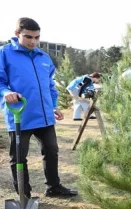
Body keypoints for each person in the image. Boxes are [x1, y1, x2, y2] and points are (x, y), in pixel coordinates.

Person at [0, 17, 78, 198]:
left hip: (44, 116)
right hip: (20, 115)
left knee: (51, 151)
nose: (33, 41)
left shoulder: (44, 57)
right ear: (17, 34)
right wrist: (5, 92)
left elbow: (49, 85)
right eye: (28, 37)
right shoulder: (4, 53)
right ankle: (24, 196)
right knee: (18, 158)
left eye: (37, 37)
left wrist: (53, 106)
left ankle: (53, 187)